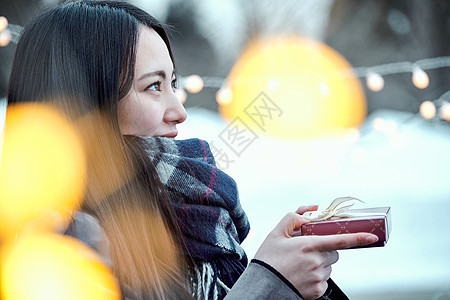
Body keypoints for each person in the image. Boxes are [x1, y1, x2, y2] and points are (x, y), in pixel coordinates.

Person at [6, 1, 378, 299]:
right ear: (88, 102)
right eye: (153, 86)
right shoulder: (54, 245)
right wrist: (270, 282)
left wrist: (296, 277)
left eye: (173, 83)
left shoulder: (185, 217)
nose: (179, 111)